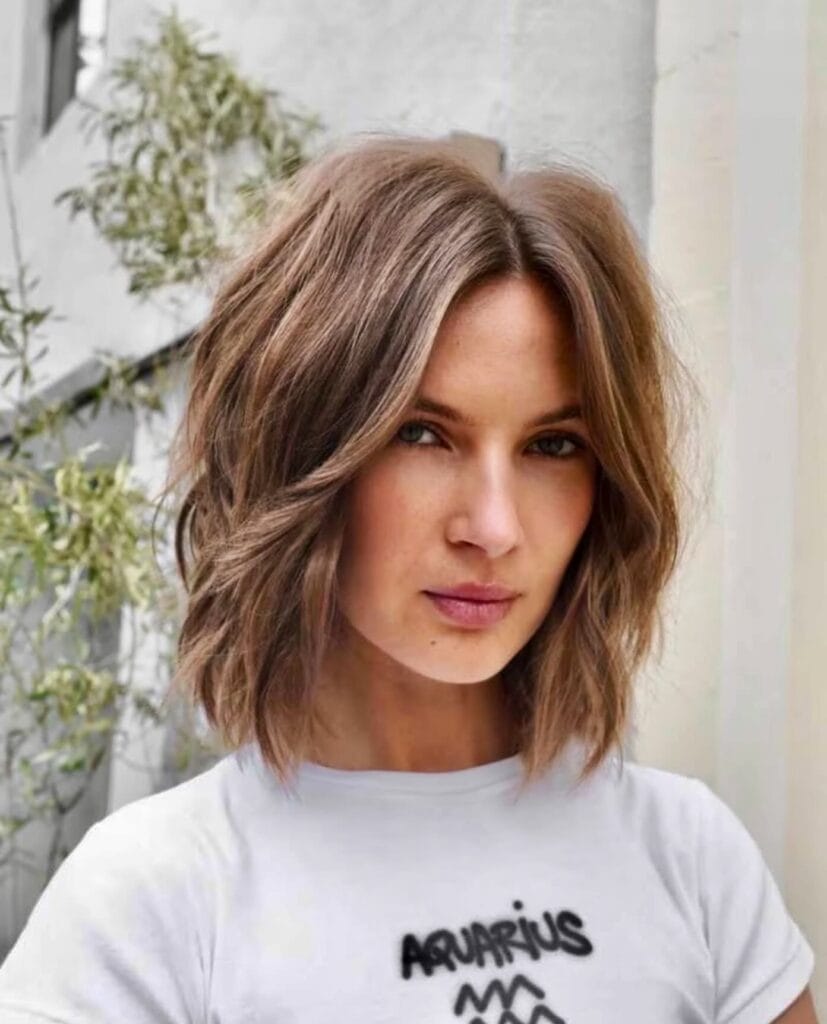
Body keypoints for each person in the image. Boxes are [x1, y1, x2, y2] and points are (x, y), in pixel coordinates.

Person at [0, 131, 817, 1023]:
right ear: (300, 449)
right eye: (422, 434)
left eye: (553, 445)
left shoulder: (689, 857)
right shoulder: (151, 901)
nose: (494, 528)